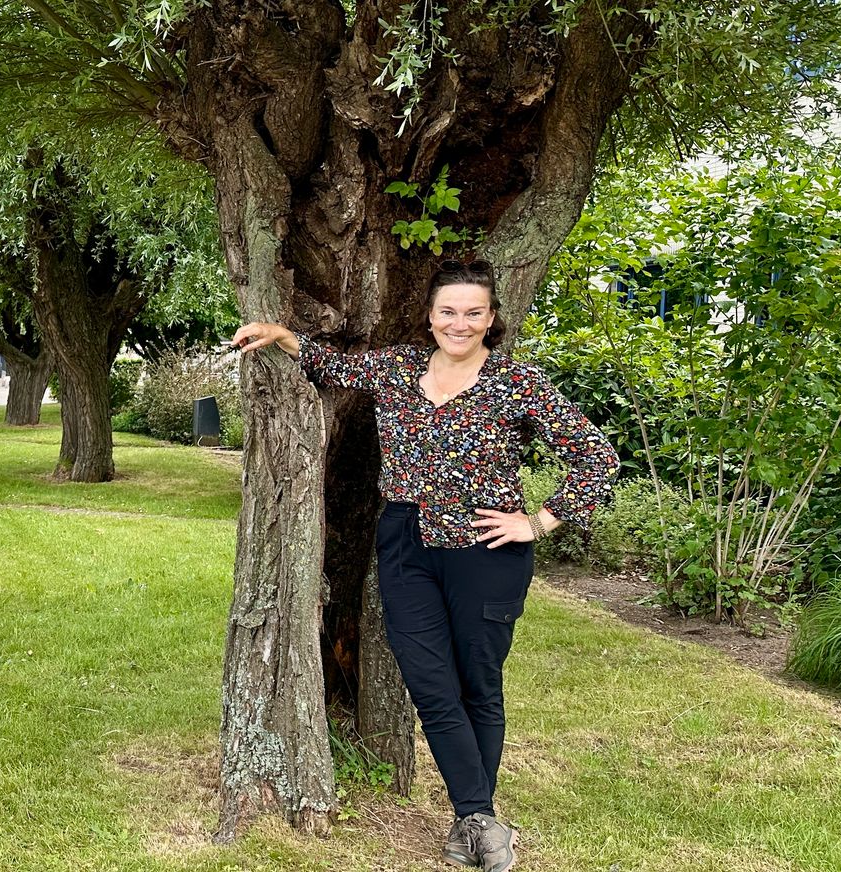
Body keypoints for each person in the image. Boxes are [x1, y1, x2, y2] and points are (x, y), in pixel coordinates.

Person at [231, 259, 618, 872]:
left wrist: (538, 521)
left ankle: (474, 823)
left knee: (477, 687)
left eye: (473, 312)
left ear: (492, 319)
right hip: (405, 542)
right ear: (430, 316)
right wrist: (282, 335)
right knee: (432, 686)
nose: (459, 323)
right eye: (448, 311)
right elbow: (333, 365)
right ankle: (483, 822)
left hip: (488, 550)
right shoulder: (399, 368)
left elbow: (596, 456)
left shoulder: (519, 383)